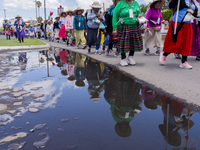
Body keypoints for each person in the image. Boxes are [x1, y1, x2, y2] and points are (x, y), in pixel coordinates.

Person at [160, 0, 198, 69]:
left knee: (186, 43)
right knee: (175, 42)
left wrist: (192, 12)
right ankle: (164, 54)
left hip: (188, 23)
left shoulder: (192, 2)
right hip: (178, 23)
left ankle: (184, 62)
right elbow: (170, 5)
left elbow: (195, 13)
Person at [112, 0, 143, 66]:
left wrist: (140, 16)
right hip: (124, 26)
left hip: (134, 26)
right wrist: (114, 28)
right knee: (123, 42)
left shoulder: (135, 3)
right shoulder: (120, 3)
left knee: (133, 42)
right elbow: (115, 16)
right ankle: (123, 59)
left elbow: (139, 13)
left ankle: (130, 56)